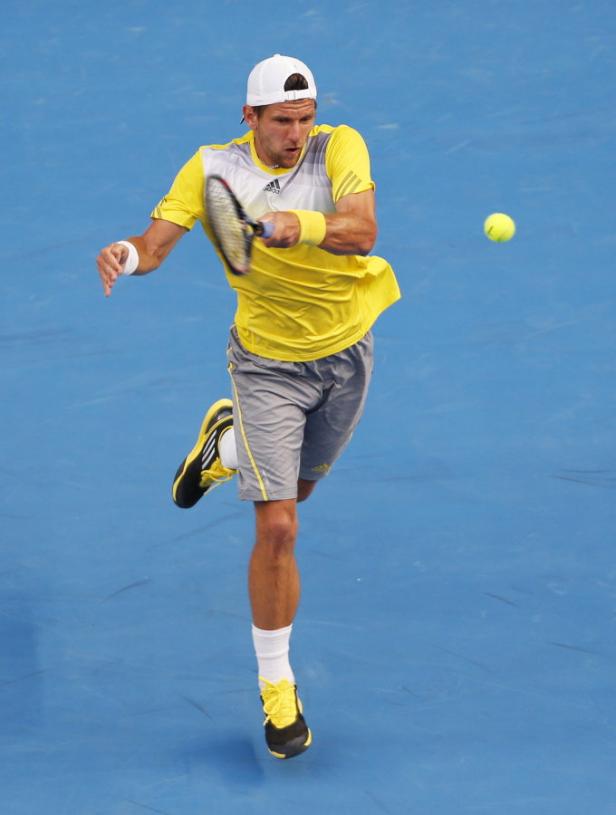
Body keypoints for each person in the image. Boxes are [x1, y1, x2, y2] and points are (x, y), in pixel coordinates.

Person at [96, 54, 401, 759]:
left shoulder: (339, 147)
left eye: (305, 119)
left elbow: (362, 230)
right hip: (266, 366)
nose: (297, 134)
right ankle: (277, 686)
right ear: (250, 116)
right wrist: (125, 255)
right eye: (282, 121)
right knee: (280, 527)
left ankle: (224, 446)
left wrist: (299, 224)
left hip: (347, 354)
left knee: (300, 488)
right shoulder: (212, 170)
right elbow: (154, 245)